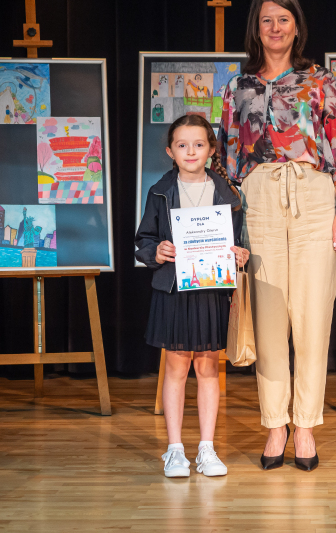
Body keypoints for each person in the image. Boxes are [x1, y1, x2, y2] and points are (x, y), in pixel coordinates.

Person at [217, 0, 336, 472]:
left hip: (315, 196)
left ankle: (306, 426)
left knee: (312, 315)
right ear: (256, 29)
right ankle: (276, 423)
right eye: (267, 20)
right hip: (259, 199)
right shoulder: (237, 87)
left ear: (297, 26)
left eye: (283, 19)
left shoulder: (320, 81)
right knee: (269, 317)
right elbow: (227, 157)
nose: (275, 28)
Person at [135, 114, 249, 479]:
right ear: (170, 151)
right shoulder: (159, 191)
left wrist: (241, 254)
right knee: (176, 368)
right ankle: (174, 450)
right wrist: (157, 251)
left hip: (211, 290)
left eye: (199, 144)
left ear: (211, 149)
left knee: (208, 368)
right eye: (182, 145)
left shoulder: (229, 193)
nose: (191, 151)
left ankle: (207, 448)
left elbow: (241, 241)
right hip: (174, 290)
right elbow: (144, 240)